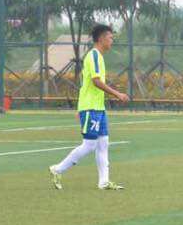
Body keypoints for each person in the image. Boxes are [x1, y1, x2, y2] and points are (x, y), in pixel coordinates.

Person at [49, 24, 128, 190]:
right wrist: (117, 94)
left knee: (103, 143)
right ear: (101, 38)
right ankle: (57, 169)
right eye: (110, 37)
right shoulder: (93, 56)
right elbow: (96, 81)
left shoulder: (98, 56)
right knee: (90, 145)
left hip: (98, 108)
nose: (112, 40)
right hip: (90, 107)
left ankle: (104, 181)